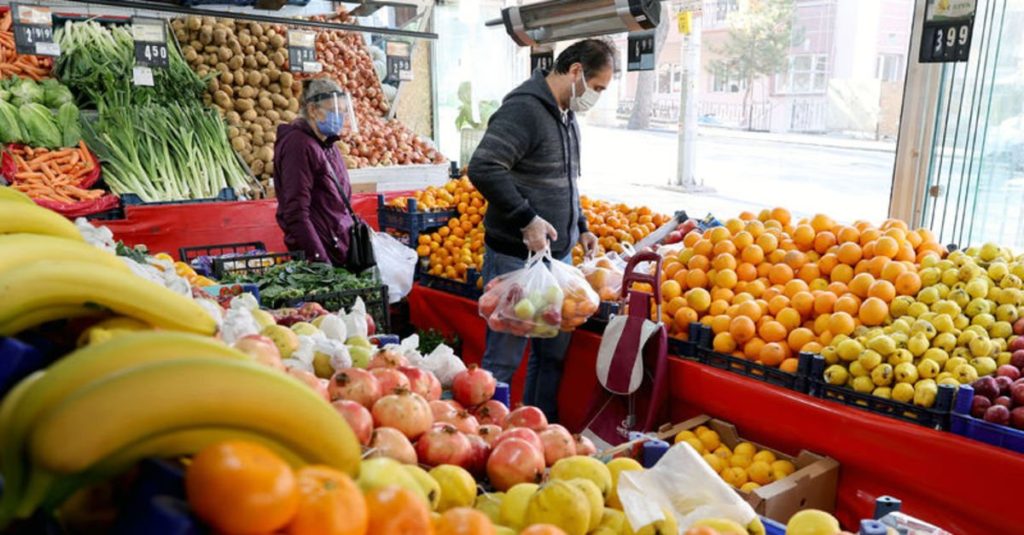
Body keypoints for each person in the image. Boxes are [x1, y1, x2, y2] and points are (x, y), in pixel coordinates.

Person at [468, 39, 617, 422]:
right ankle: (485, 435)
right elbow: (483, 167)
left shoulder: (565, 115)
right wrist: (527, 219)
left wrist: (580, 225)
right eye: (597, 88)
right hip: (514, 257)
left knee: (551, 353)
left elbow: (567, 180)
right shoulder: (524, 110)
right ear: (576, 71)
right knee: (504, 356)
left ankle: (538, 428)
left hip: (557, 258)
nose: (596, 97)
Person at [273, 78, 356, 266]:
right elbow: (295, 212)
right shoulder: (298, 145)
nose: (340, 118)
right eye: (334, 112)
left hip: (337, 248)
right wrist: (320, 261)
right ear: (312, 110)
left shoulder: (328, 143)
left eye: (343, 112)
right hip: (322, 253)